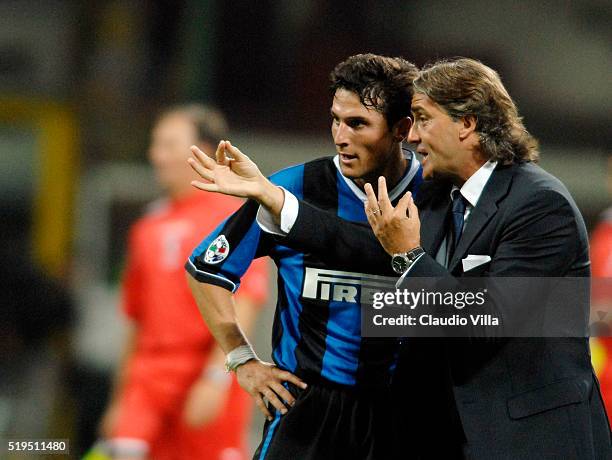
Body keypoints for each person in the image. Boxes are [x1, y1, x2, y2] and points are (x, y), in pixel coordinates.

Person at [189, 59, 611, 458]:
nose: (413, 135)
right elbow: (372, 248)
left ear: (467, 125)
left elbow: (482, 321)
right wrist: (276, 200)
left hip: (528, 434)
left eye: (423, 119)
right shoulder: (458, 198)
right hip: (338, 411)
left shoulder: (537, 204)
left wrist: (407, 257)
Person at [185, 54, 422, 459]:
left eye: (357, 124)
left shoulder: (436, 196)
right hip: (308, 410)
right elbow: (205, 268)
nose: (340, 135)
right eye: (335, 119)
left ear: (401, 129)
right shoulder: (294, 188)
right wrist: (241, 359)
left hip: (403, 415)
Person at [99, 104, 269, 460]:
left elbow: (247, 301)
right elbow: (136, 318)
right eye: (155, 145)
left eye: (168, 145)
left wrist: (217, 378)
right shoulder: (146, 227)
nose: (156, 156)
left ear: (203, 150)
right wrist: (119, 399)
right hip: (149, 380)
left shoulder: (233, 217)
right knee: (122, 450)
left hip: (205, 371)